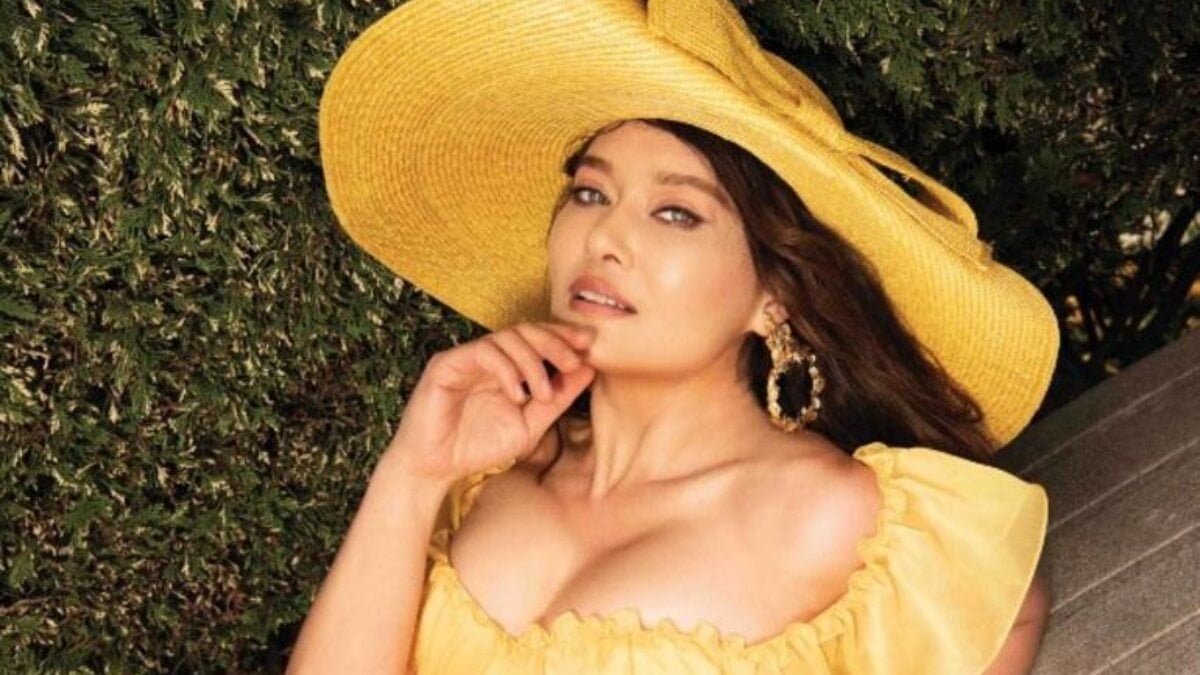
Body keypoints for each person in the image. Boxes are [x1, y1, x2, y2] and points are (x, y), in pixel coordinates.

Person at [289, 0, 1058, 673]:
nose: (602, 238)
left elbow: (1007, 614)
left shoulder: (836, 518)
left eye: (676, 213)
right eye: (590, 193)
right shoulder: (482, 477)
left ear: (775, 297)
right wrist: (413, 472)